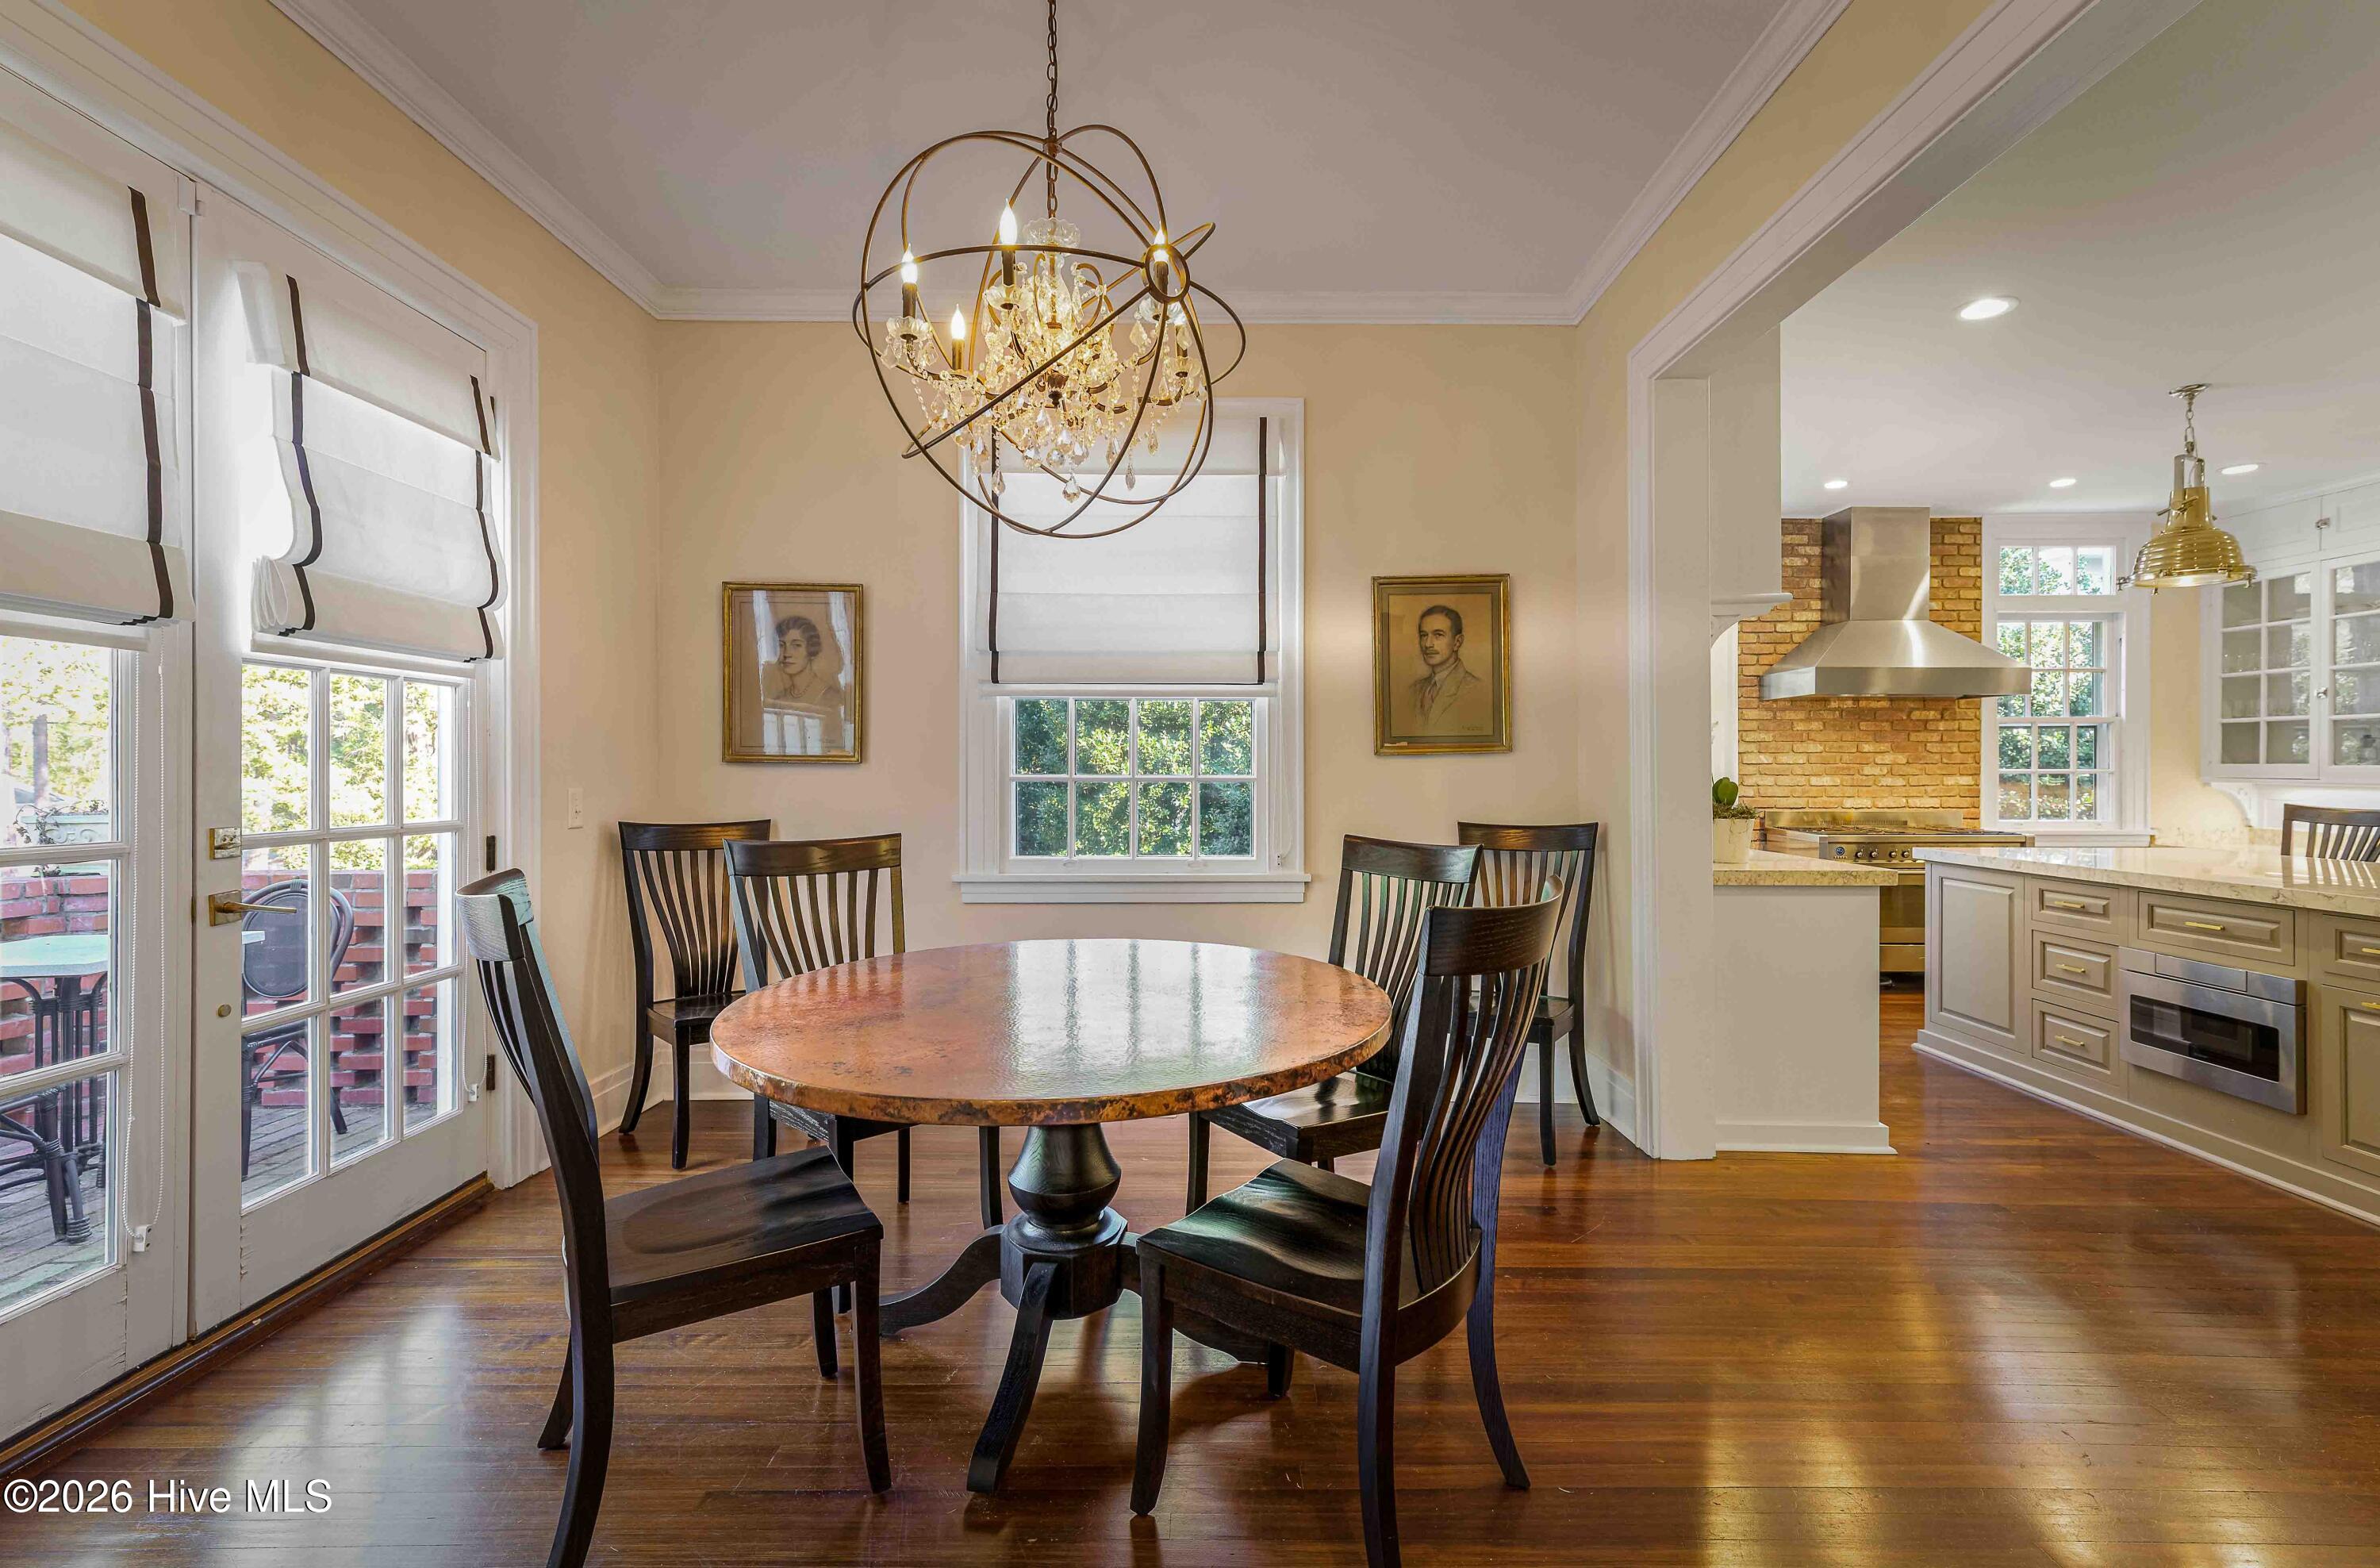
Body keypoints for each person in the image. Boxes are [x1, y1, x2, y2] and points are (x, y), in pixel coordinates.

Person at [1407, 603, 1491, 733]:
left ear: (1457, 642)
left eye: (1438, 635)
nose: (1428, 644)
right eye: (1424, 635)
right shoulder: (1414, 690)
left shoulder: (1477, 690)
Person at [761, 613, 847, 727]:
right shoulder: (780, 699)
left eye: (796, 645)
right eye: (781, 645)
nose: (786, 654)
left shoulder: (831, 699)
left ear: (811, 649)